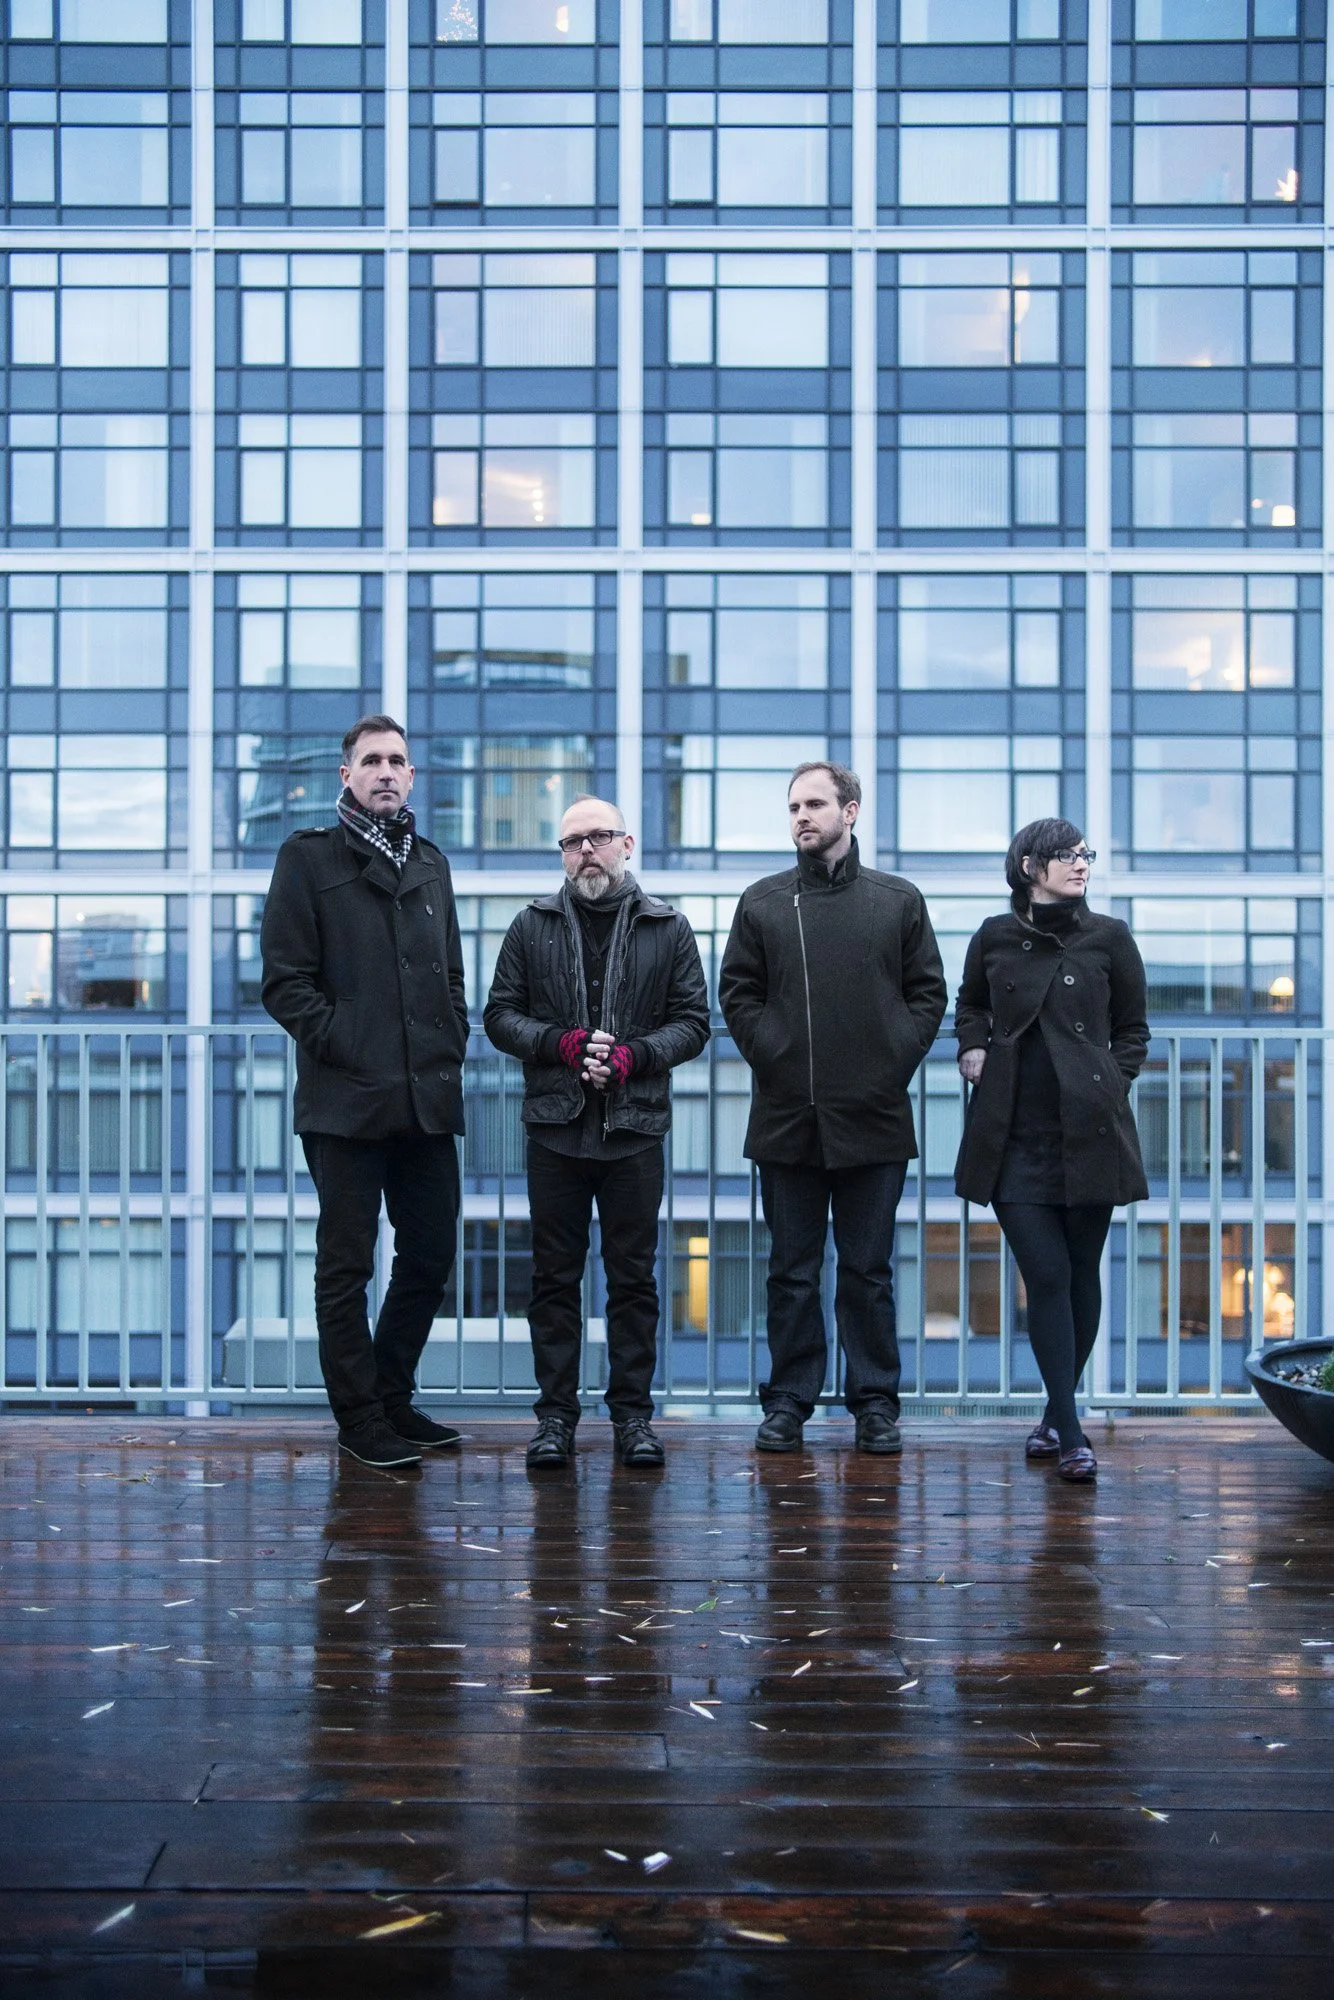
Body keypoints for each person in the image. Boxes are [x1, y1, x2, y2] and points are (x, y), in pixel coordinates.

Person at [718, 761, 947, 1456]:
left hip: (874, 1117)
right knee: (790, 1272)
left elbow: (928, 995)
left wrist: (890, 1063)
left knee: (867, 1272)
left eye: (814, 804)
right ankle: (788, 1401)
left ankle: (874, 1403)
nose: (801, 817)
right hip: (787, 1116)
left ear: (850, 811)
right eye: (793, 807)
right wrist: (777, 1054)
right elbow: (738, 995)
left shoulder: (897, 900)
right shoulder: (762, 901)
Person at [260, 715, 469, 1470]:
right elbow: (284, 982)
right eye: (372, 760)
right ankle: (359, 1417)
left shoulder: (432, 862)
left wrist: (449, 1038)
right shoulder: (308, 856)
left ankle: (390, 1395)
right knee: (345, 1265)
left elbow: (451, 974)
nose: (386, 771)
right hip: (346, 1100)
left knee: (432, 1250)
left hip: (424, 1098)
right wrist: (347, 1043)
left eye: (397, 761)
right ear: (345, 774)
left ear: (411, 777)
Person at [483, 795, 710, 1470]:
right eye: (572, 841)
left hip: (634, 1132)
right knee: (553, 1281)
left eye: (598, 837)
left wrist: (632, 1057)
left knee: (633, 1282)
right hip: (555, 1131)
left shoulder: (669, 926)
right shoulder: (531, 925)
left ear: (626, 844)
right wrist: (562, 1044)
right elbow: (500, 1015)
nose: (585, 850)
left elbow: (693, 1021)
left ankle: (633, 1419)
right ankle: (554, 1420)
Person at [953, 819, 1149, 1484]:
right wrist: (972, 1044)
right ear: (1029, 866)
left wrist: (1111, 1082)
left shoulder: (1109, 937)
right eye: (1066, 855)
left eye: (1084, 853)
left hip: (1090, 1130)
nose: (1080, 863)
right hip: (1012, 1131)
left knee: (1081, 1272)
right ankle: (1071, 1432)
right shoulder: (994, 935)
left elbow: (1134, 1028)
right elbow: (970, 1004)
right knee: (1046, 1275)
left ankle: (1054, 1417)